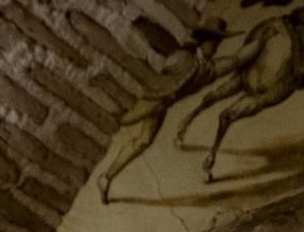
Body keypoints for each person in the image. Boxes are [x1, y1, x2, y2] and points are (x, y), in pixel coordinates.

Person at [97, 16, 231, 202]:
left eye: (217, 43)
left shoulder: (205, 65)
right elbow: (165, 69)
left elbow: (232, 62)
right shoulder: (184, 57)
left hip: (163, 102)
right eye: (214, 43)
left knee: (144, 140)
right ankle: (106, 177)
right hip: (156, 99)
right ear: (204, 42)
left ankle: (106, 177)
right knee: (136, 132)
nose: (216, 48)